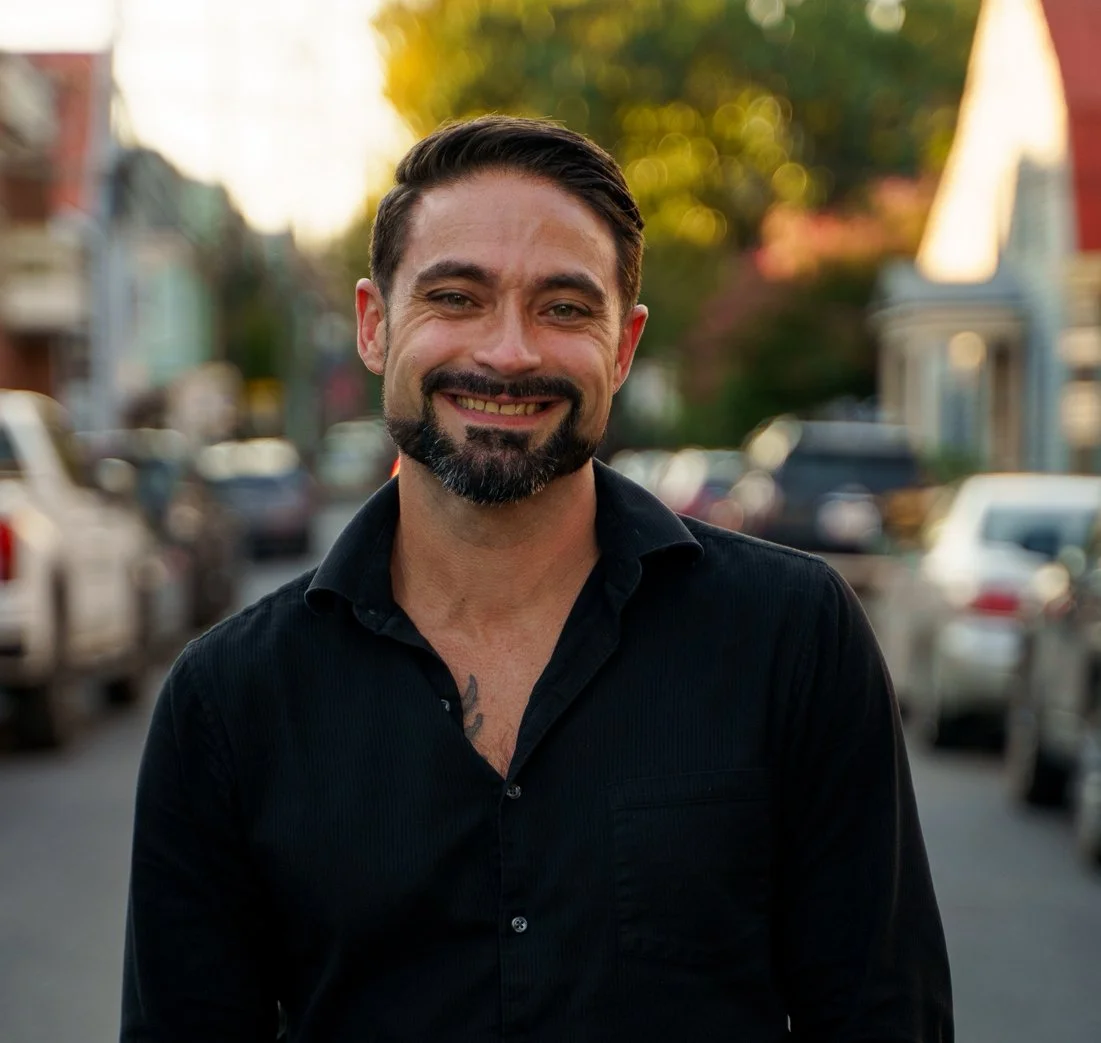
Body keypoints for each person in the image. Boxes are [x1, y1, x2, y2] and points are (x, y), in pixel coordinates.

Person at [122, 115, 952, 1042]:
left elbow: (886, 1017)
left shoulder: (793, 639)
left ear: (623, 346)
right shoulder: (230, 698)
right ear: (373, 323)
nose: (509, 352)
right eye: (455, 296)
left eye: (563, 307)